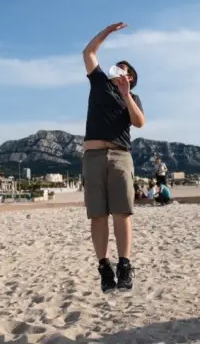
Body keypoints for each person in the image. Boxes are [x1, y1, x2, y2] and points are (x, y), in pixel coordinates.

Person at [81, 22, 145, 293]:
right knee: (98, 214)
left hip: (120, 156)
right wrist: (107, 31)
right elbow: (88, 53)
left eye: (124, 69)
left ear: (130, 78)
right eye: (116, 67)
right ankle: (104, 267)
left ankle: (125, 265)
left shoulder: (133, 98)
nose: (117, 70)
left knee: (122, 212)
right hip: (93, 156)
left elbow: (139, 122)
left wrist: (126, 95)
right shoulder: (99, 83)